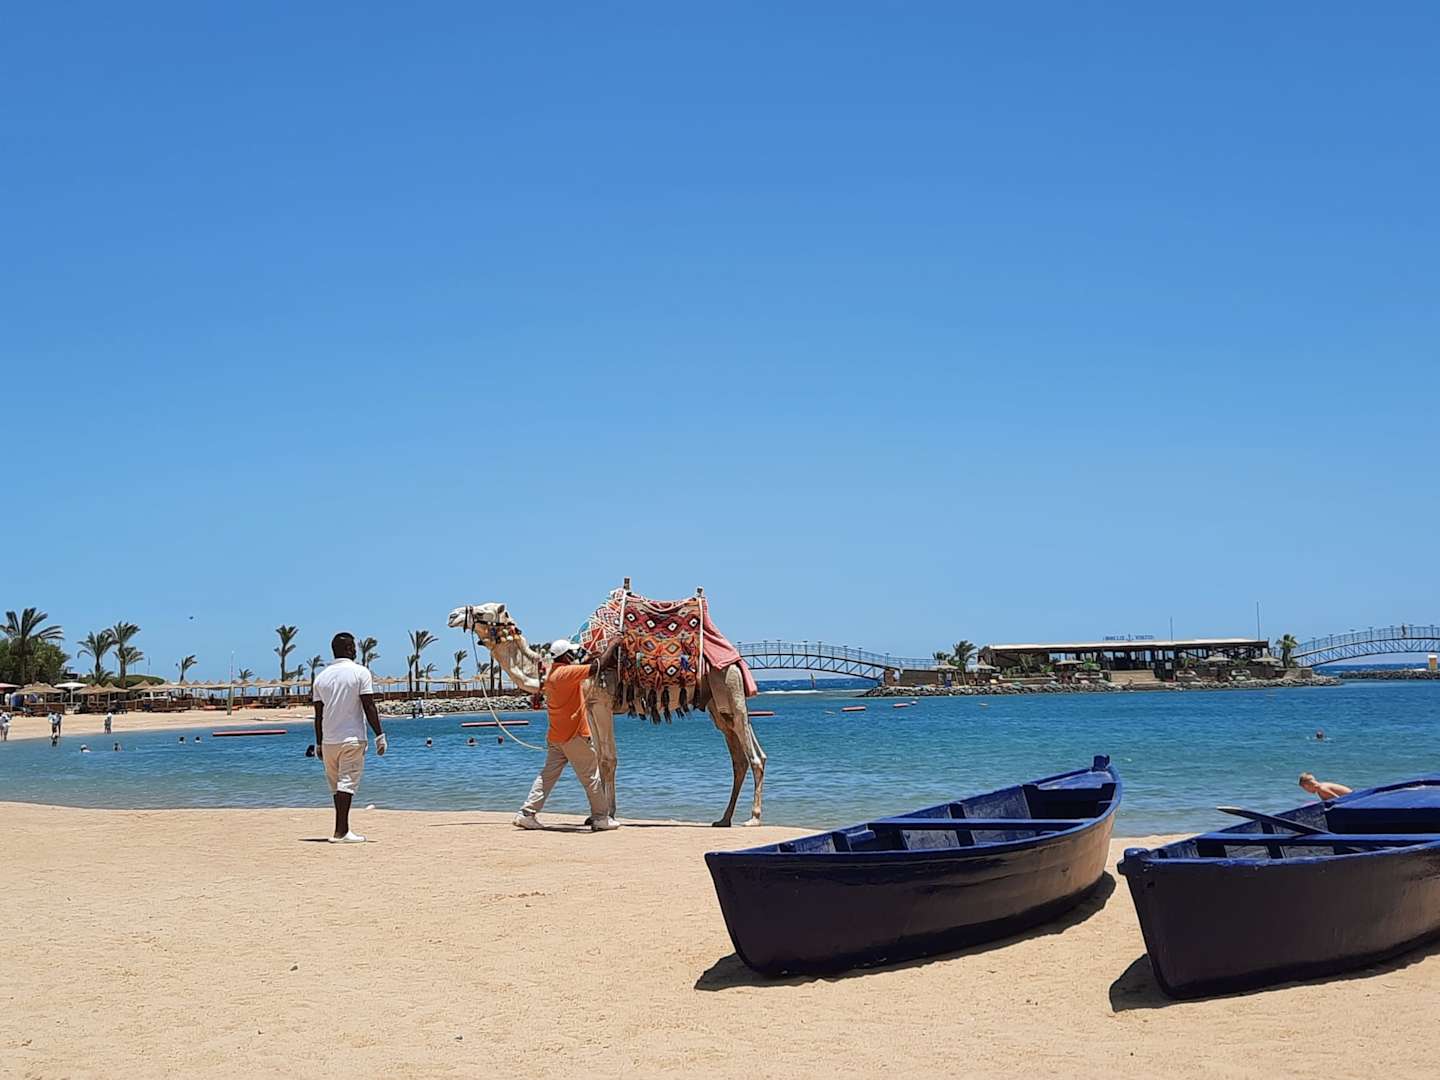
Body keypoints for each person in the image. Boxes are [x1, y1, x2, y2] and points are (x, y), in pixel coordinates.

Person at [514, 639, 619, 832]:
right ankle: (601, 818)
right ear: (565, 656)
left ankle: (527, 813)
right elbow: (598, 667)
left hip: (556, 737)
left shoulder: (551, 674)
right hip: (574, 736)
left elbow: (585, 667)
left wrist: (587, 659)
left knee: (547, 776)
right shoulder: (567, 673)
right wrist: (613, 644)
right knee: (591, 776)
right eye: (571, 653)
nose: (573, 656)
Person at [312, 631, 386, 844]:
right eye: (353, 647)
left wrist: (318, 742)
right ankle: (341, 832)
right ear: (349, 649)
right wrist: (379, 735)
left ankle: (340, 829)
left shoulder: (321, 677)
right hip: (352, 738)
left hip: (329, 740)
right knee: (346, 784)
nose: (355, 650)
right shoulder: (360, 673)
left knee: (337, 786)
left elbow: (318, 715)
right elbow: (368, 705)